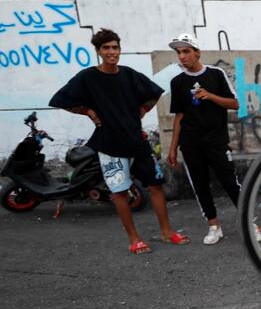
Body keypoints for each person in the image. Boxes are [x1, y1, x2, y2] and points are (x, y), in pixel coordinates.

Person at [49, 28, 189, 254]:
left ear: (120, 50)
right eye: (106, 48)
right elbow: (61, 99)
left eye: (115, 47)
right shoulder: (88, 77)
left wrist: (143, 109)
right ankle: (134, 239)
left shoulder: (129, 74)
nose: (112, 52)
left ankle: (166, 232)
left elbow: (153, 93)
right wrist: (88, 111)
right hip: (109, 145)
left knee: (156, 185)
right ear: (98, 51)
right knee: (120, 191)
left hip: (137, 140)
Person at [166, 33, 260, 244]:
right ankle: (214, 226)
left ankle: (250, 223)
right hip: (190, 143)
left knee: (230, 182)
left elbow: (234, 104)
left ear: (197, 52)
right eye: (179, 52)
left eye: (186, 51)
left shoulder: (216, 74)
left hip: (216, 140)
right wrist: (173, 148)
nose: (182, 56)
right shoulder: (177, 82)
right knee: (200, 185)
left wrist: (210, 96)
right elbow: (179, 116)